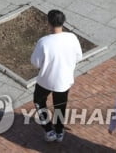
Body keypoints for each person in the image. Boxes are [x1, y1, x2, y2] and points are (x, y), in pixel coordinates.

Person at [30, 9, 82, 143]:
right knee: (60, 105)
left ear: (49, 23)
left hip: (45, 80)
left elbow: (35, 62)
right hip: (64, 80)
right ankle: (59, 131)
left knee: (39, 101)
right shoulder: (72, 37)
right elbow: (78, 56)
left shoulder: (44, 42)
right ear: (63, 22)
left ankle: (48, 130)